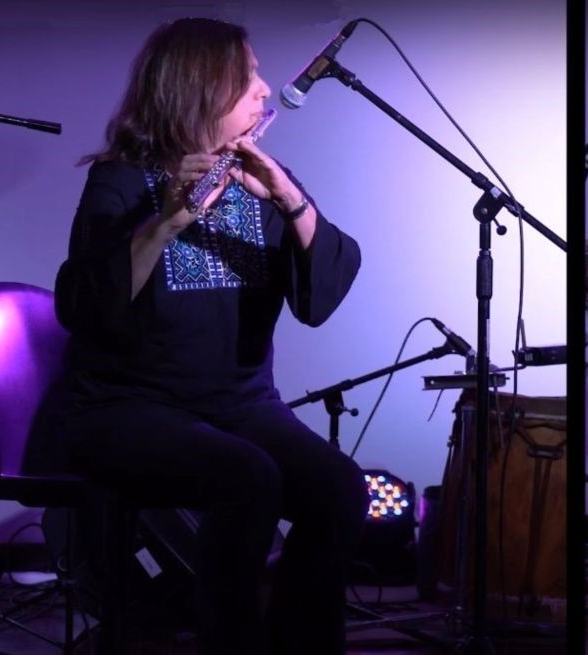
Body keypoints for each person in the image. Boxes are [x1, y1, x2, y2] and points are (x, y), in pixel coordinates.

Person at [52, 18, 363, 655]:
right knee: (246, 478)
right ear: (199, 87)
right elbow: (86, 306)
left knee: (337, 487)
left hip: (241, 406)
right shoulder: (119, 181)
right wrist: (167, 221)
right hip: (126, 409)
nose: (263, 88)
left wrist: (289, 198)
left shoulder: (263, 183)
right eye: (245, 76)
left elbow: (321, 296)